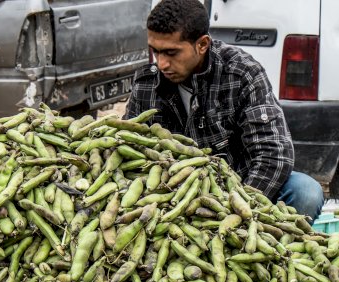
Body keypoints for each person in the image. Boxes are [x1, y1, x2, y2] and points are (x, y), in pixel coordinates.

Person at [123, 0, 324, 221]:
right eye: (156, 51)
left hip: (239, 189)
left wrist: (236, 211)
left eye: (171, 53)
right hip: (170, 199)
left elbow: (273, 155)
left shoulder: (241, 74)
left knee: (305, 191)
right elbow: (129, 149)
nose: (162, 64)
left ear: (202, 44)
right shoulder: (146, 83)